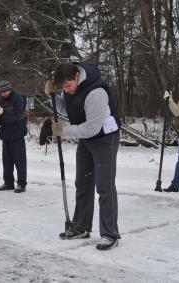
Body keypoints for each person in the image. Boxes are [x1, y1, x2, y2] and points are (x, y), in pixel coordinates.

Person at [45, 61, 121, 250]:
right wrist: (51, 97)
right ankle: (81, 227)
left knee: (104, 186)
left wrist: (62, 130)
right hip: (86, 139)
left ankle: (110, 233)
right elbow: (66, 109)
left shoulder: (96, 92)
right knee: (83, 183)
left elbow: (91, 128)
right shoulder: (70, 85)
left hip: (104, 137)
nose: (67, 90)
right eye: (62, 87)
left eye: (68, 86)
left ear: (77, 76)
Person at [0, 80, 28, 193]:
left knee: (19, 160)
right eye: (1, 92)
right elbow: (2, 117)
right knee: (6, 161)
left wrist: (3, 112)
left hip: (17, 134)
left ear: (9, 89)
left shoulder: (18, 98)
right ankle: (8, 183)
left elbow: (17, 115)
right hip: (6, 135)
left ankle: (21, 184)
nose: (3, 94)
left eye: (4, 91)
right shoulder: (2, 101)